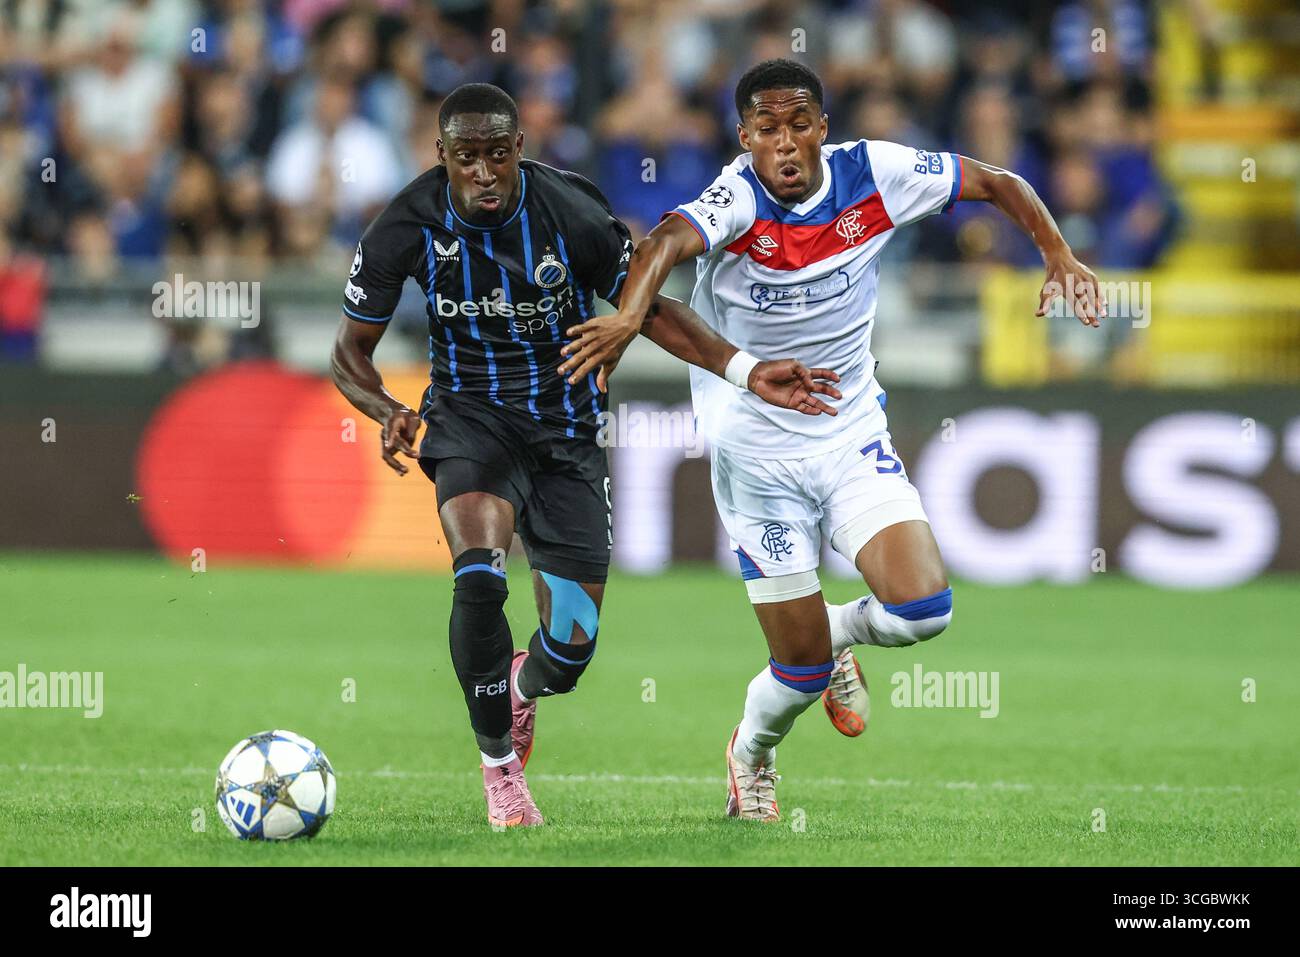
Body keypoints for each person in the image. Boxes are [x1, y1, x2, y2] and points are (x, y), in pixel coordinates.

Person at [557, 59, 1104, 821]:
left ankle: (842, 630)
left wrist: (1056, 251)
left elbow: (998, 182)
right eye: (767, 131)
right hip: (754, 450)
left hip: (847, 429)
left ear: (823, 128)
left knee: (924, 610)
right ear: (745, 138)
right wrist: (626, 317)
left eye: (799, 125)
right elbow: (660, 246)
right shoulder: (737, 195)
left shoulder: (875, 172)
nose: (785, 144)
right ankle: (752, 755)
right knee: (801, 668)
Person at [329, 83, 841, 828]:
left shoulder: (568, 211)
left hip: (568, 437)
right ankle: (500, 767)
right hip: (469, 421)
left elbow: (649, 306)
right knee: (478, 578)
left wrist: (744, 368)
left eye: (496, 155)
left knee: (569, 650)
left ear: (519, 151)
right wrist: (390, 410)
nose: (482, 172)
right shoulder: (403, 224)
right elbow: (349, 353)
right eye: (465, 158)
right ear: (441, 157)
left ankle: (523, 687)